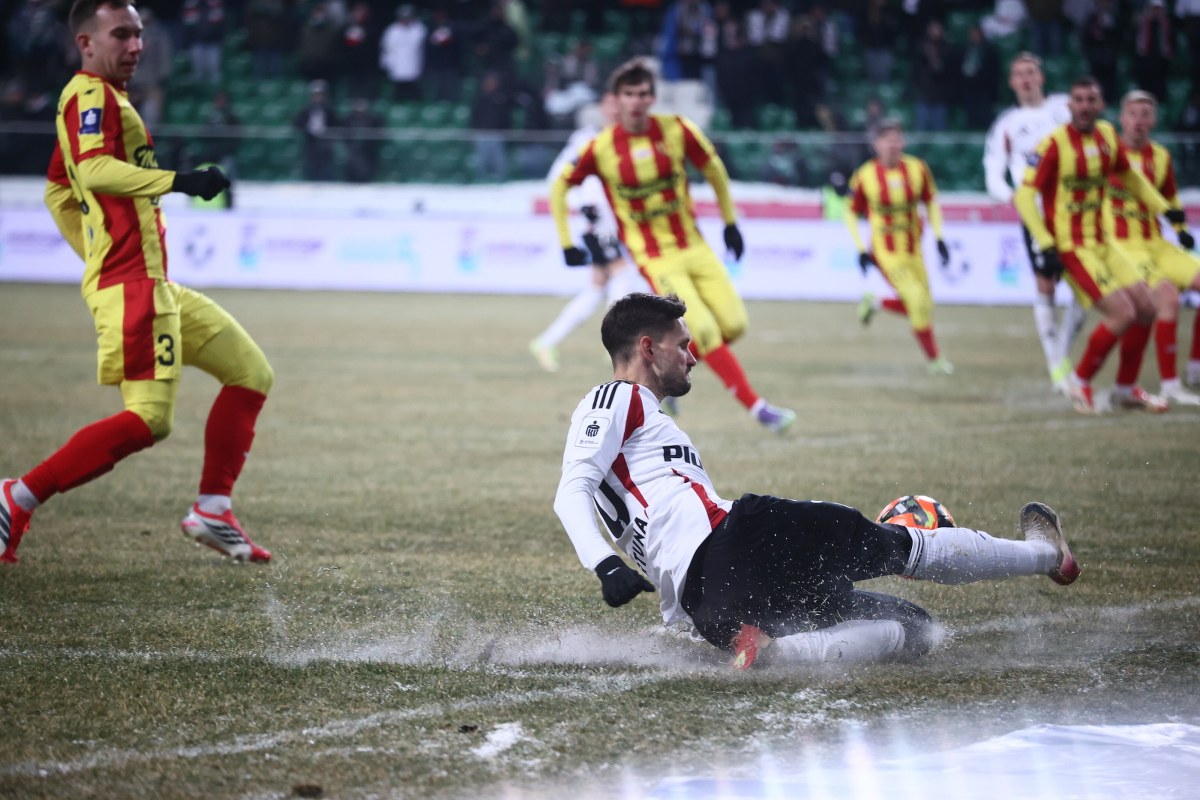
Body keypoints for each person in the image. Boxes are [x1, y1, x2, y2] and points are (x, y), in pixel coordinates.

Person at [552, 293, 1080, 669]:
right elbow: (569, 491)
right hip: (734, 541)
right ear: (648, 348)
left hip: (707, 604)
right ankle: (1045, 554)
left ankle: (772, 652)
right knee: (896, 544)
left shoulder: (642, 419)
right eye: (682, 345)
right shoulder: (615, 398)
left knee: (914, 628)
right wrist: (604, 566)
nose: (693, 355)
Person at [1, 0, 274, 564]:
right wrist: (178, 181)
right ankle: (15, 496)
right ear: (86, 43)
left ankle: (212, 509)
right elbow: (95, 169)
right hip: (133, 285)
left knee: (250, 373)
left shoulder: (96, 101)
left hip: (149, 280)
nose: (135, 46)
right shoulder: (89, 95)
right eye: (121, 34)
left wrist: (95, 247)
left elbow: (59, 185)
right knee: (150, 418)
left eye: (139, 34)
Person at [549, 59, 795, 433]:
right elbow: (560, 186)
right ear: (618, 99)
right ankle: (759, 409)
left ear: (653, 96)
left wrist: (730, 222)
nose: (636, 101)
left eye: (643, 93)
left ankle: (664, 376)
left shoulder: (676, 130)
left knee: (735, 324)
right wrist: (566, 241)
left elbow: (713, 168)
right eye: (629, 94)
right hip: (654, 256)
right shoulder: (602, 148)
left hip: (695, 246)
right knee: (707, 332)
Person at [1015, 75, 1187, 414]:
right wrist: (1046, 243)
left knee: (1148, 309)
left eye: (1091, 100)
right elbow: (1024, 196)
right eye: (1078, 100)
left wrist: (1165, 210)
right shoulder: (1053, 145)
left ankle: (1124, 390)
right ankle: (1080, 382)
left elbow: (1129, 177)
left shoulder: (1108, 136)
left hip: (1104, 243)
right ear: (1069, 105)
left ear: (1101, 104)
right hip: (1072, 247)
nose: (1084, 106)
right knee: (1123, 313)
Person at [983, 52, 1080, 393]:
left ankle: (1062, 354)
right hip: (1037, 214)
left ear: (1041, 77)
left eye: (1031, 72)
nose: (1025, 79)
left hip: (1075, 210)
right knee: (1046, 284)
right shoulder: (1007, 124)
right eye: (1018, 74)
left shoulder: (1064, 110)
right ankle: (1057, 369)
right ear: (1011, 82)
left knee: (1085, 287)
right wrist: (1012, 197)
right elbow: (993, 171)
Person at [530, 92, 643, 373]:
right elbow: (558, 176)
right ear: (603, 108)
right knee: (622, 276)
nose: (617, 110)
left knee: (596, 289)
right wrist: (585, 203)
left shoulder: (631, 140)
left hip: (619, 222)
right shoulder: (586, 139)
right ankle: (619, 345)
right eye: (612, 105)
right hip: (599, 222)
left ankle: (546, 342)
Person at [1103, 90, 1200, 405]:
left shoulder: (1160, 156)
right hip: (1123, 246)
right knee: (1166, 298)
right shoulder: (1105, 155)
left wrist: (1181, 229)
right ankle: (1169, 385)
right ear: (1122, 118)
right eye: (1133, 113)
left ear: (1154, 120)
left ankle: (1195, 367)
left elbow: (1170, 198)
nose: (1139, 121)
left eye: (1146, 114)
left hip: (1156, 243)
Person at [847, 119, 955, 374]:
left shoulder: (918, 169)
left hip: (914, 249)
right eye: (887, 140)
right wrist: (861, 249)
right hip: (886, 253)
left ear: (903, 142)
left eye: (897, 139)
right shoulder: (865, 175)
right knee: (916, 301)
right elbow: (851, 214)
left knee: (924, 307)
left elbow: (932, 202)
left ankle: (877, 303)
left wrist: (939, 237)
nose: (892, 145)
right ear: (876, 145)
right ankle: (935, 361)